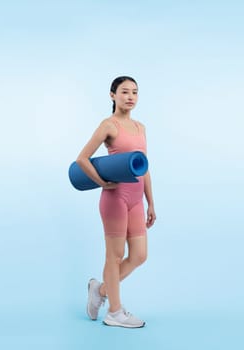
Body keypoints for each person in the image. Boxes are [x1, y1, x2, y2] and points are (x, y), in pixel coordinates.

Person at [76, 76, 156, 328]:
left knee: (140, 255)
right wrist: (102, 182)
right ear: (112, 95)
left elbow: (144, 168)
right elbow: (82, 159)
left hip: (136, 198)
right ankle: (115, 311)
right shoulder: (108, 125)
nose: (130, 96)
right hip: (115, 197)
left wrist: (151, 202)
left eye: (134, 92)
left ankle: (99, 291)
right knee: (115, 255)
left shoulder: (141, 127)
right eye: (124, 92)